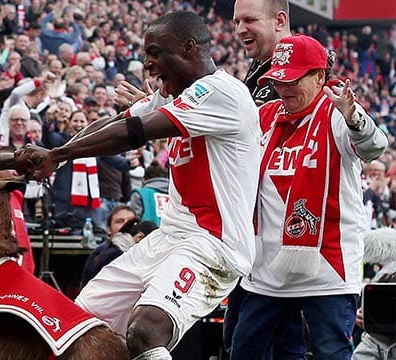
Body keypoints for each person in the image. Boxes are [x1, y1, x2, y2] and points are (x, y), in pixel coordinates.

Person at [15, 11, 260, 359]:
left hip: (213, 245)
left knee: (146, 330)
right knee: (77, 324)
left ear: (189, 48)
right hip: (169, 238)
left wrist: (58, 155)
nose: (147, 63)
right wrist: (57, 153)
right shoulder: (178, 93)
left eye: (155, 53)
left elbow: (134, 133)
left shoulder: (222, 92)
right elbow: (117, 122)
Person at [230, 34, 388, 360]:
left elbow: (374, 146)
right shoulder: (265, 115)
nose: (283, 89)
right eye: (278, 81)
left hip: (326, 271)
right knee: (243, 352)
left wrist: (354, 117)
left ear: (319, 77)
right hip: (267, 272)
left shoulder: (336, 113)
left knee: (331, 355)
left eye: (292, 81)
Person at [225, 0, 299, 356]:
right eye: (237, 20)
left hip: (282, 237)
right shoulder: (257, 70)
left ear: (280, 20)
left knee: (265, 344)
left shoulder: (301, 69)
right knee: (239, 340)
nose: (240, 28)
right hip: (252, 234)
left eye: (250, 19)